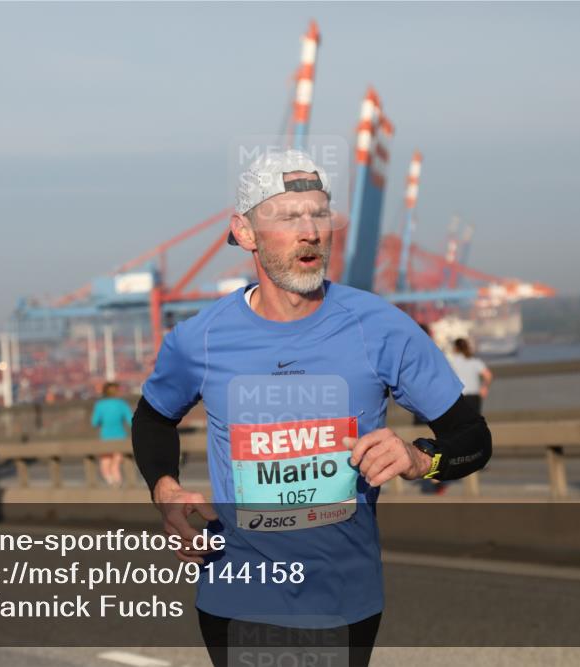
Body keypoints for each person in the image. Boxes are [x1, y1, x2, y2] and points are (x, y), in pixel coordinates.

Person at [132, 150, 492, 666]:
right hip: (238, 593)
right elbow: (152, 417)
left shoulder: (379, 327)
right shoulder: (200, 340)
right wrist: (164, 488)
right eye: (287, 216)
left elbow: (473, 438)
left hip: (347, 597)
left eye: (319, 213)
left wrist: (420, 459)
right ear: (246, 231)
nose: (310, 231)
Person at [90, 382, 134, 487]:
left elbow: (94, 423)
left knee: (105, 467)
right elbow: (131, 421)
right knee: (116, 466)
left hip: (105, 439)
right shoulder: (122, 404)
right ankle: (118, 487)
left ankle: (111, 484)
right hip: (120, 439)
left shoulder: (100, 405)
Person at [447, 338, 493, 415]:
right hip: (474, 396)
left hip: (458, 396)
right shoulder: (475, 361)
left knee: (460, 422)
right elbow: (488, 375)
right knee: (475, 421)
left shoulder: (451, 362)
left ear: (455, 348)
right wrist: (484, 388)